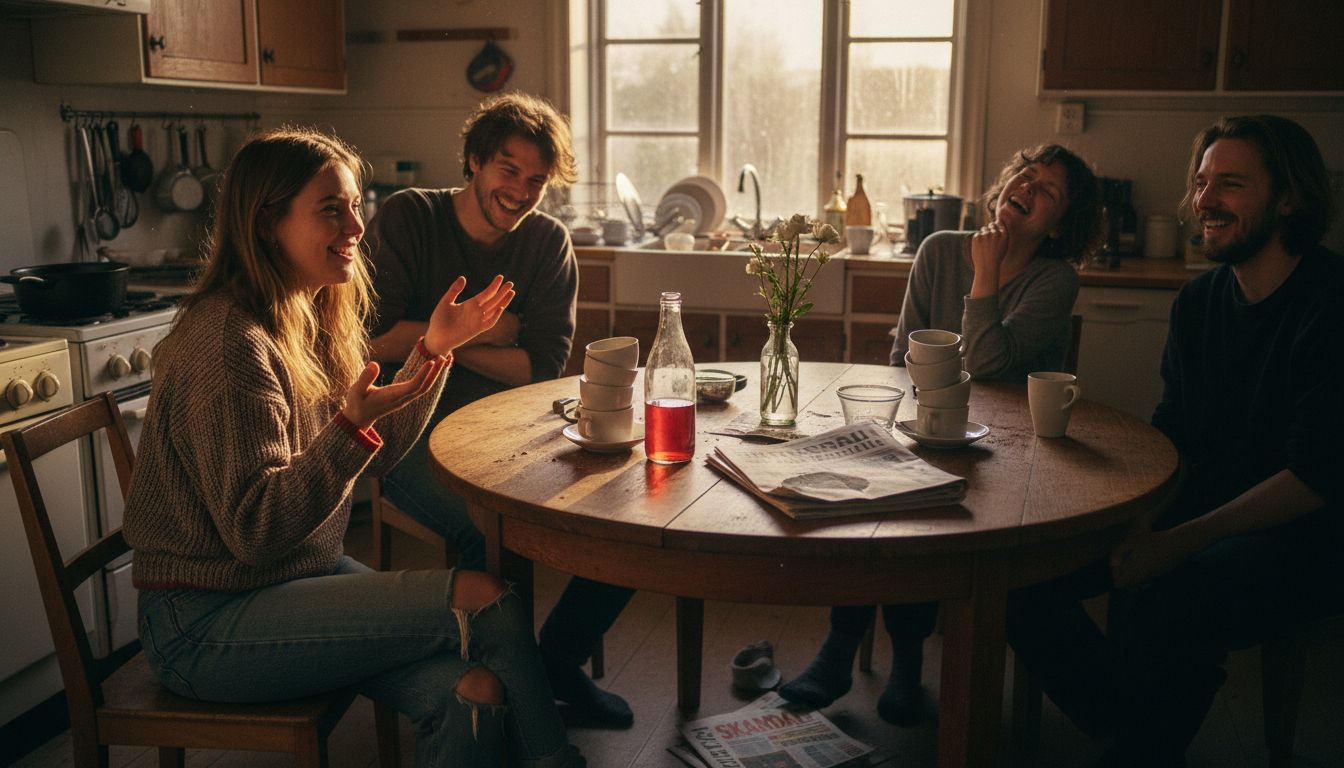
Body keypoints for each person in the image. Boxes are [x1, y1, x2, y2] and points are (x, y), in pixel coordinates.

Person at [122, 128, 585, 767]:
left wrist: (434, 350)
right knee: (489, 602)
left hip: (289, 580)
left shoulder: (297, 318)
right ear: (266, 223)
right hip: (205, 621)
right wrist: (343, 435)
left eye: (355, 206)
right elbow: (256, 531)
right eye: (331, 209)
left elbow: (379, 454)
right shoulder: (230, 343)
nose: (357, 227)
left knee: (475, 691)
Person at [1013, 115, 1344, 766]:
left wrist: (1174, 542)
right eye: (1201, 182)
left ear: (1289, 197)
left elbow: (1316, 475)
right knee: (1024, 569)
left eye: (1231, 183)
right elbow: (1175, 433)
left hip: (1308, 536)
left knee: (1175, 592)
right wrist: (1142, 519)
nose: (1204, 200)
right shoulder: (1198, 302)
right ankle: (1129, 729)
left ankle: (1136, 744)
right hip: (1199, 506)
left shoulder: (1330, 302)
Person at [779, 144, 1103, 725]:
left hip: (1003, 447)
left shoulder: (1055, 281)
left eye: (1047, 192)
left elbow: (990, 366)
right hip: (923, 421)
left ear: (1061, 225)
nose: (1027, 189)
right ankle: (839, 647)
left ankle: (904, 662)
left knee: (929, 509)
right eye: (1025, 176)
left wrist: (983, 276)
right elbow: (905, 353)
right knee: (865, 491)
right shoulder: (938, 249)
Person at [365, 92, 636, 728]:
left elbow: (541, 368)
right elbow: (370, 343)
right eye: (507, 171)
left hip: (516, 423)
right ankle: (484, 692)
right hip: (408, 427)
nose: (520, 191)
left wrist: (438, 337)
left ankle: (554, 663)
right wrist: (488, 331)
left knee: (627, 508)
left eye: (536, 180)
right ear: (474, 162)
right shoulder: (409, 218)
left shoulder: (546, 242)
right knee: (478, 528)